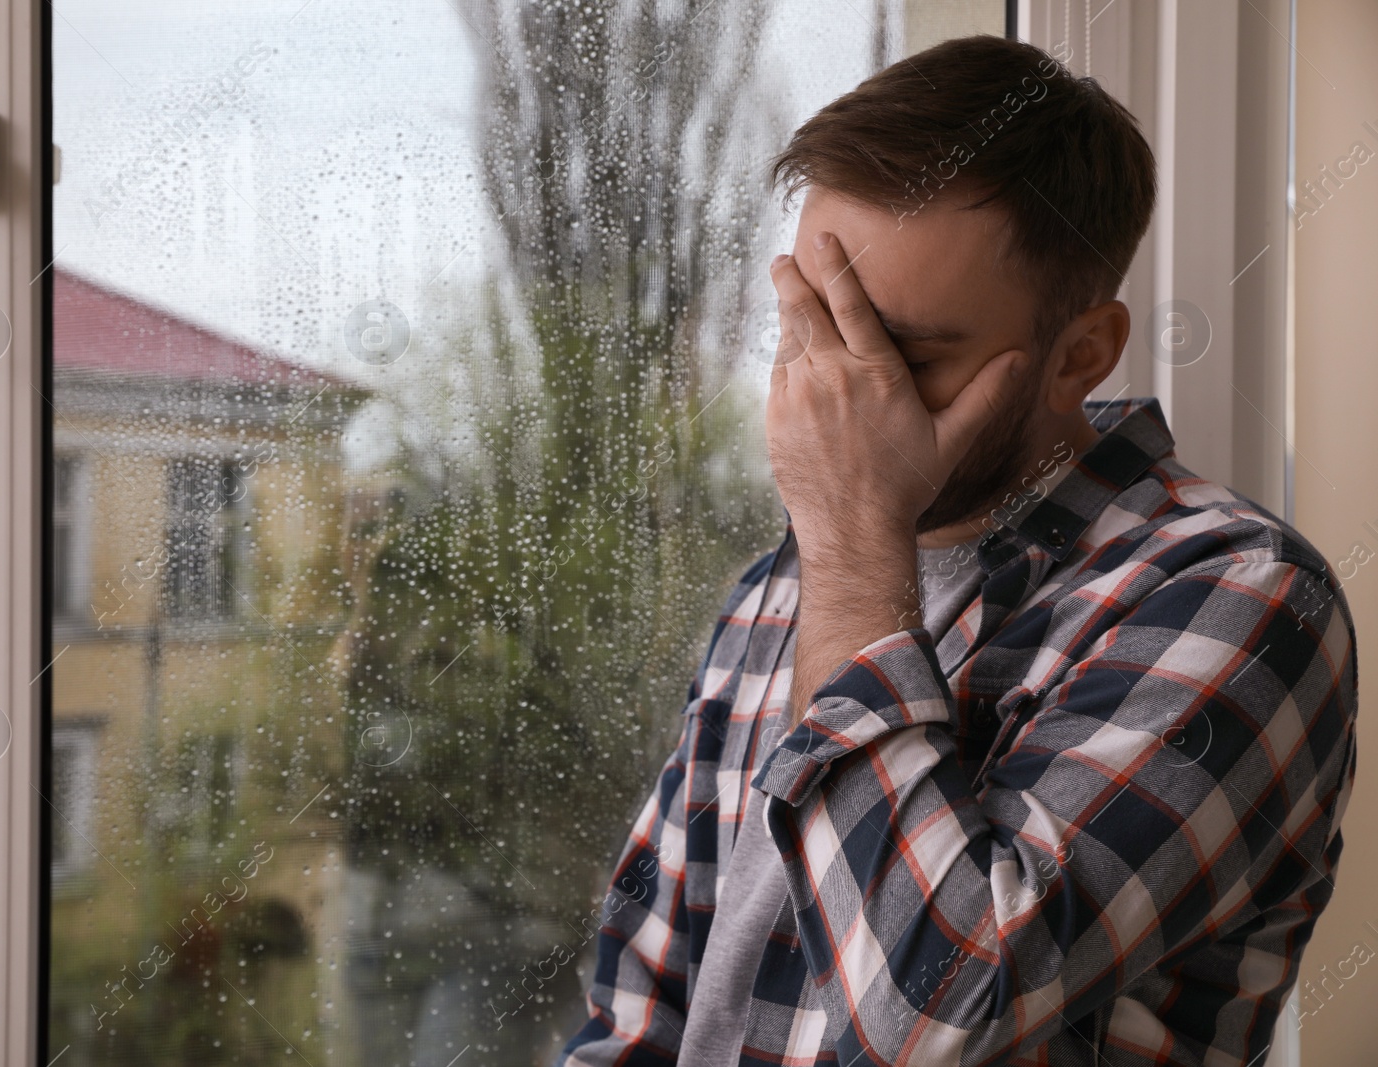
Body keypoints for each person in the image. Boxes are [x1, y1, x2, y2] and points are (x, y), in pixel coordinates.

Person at [555, 34, 1357, 1067]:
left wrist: (851, 547)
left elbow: (938, 1010)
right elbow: (641, 1009)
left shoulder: (1237, 595)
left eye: (902, 352)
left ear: (1081, 354)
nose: (834, 388)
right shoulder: (776, 594)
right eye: (810, 324)